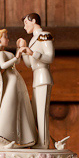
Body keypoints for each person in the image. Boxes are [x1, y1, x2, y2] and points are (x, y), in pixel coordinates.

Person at [17, 12, 54, 149]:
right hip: (36, 78)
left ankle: (44, 143)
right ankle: (38, 140)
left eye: (26, 23)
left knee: (42, 112)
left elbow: (49, 57)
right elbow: (29, 64)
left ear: (33, 21)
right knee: (35, 113)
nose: (25, 26)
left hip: (44, 77)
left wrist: (32, 52)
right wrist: (23, 49)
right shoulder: (33, 40)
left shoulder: (44, 35)